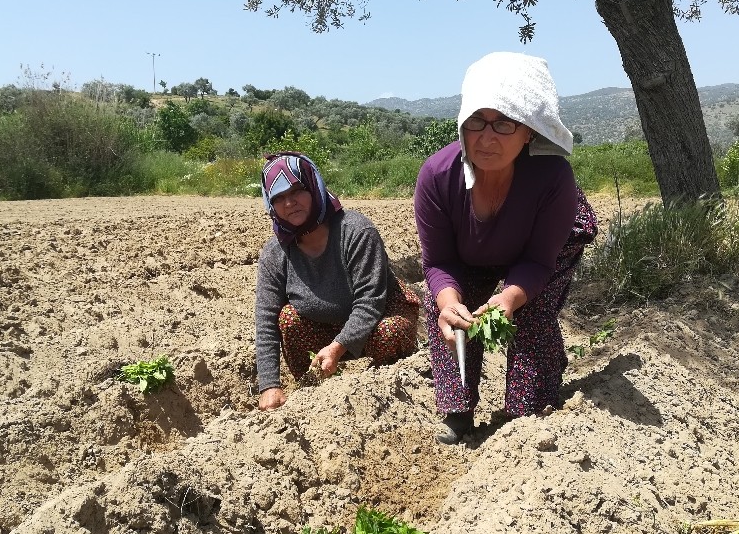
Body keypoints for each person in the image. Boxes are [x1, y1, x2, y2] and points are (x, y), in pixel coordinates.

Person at [414, 52, 598, 444]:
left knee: (530, 312)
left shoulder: (552, 178)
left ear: (528, 131)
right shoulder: (437, 176)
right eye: (476, 121)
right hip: (473, 251)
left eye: (503, 123)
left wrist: (510, 298)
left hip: (543, 247)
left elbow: (537, 260)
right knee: (447, 311)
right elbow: (439, 261)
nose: (486, 136)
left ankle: (525, 407)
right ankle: (458, 407)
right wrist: (449, 303)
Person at [255, 152, 420, 411]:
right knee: (287, 319)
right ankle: (311, 392)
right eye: (278, 198)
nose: (289, 203)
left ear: (314, 187)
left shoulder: (356, 232)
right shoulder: (276, 252)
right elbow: (266, 316)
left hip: (378, 319)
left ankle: (389, 388)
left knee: (391, 333)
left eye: (297, 191)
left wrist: (337, 348)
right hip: (322, 326)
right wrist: (269, 384)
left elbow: (370, 302)